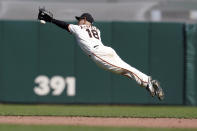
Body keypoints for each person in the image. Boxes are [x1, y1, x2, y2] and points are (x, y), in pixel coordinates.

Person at [38, 8, 164, 100]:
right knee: (125, 71)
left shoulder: (79, 28)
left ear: (85, 19)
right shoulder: (96, 29)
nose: (78, 21)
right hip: (106, 50)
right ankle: (147, 84)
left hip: (98, 53)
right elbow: (73, 27)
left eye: (80, 19)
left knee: (125, 69)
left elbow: (65, 26)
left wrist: (51, 20)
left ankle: (148, 81)